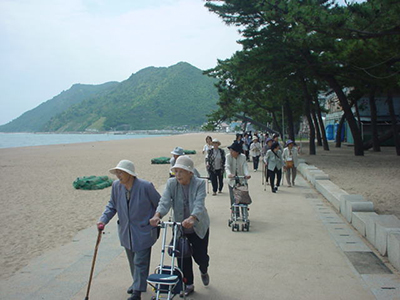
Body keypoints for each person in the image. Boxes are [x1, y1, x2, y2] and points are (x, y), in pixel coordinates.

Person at [97, 160, 161, 300]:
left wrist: (155, 218)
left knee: (140, 261)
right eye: (117, 173)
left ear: (130, 174)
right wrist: (103, 220)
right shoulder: (116, 186)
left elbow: (160, 204)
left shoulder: (146, 186)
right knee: (133, 261)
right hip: (126, 231)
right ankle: (138, 282)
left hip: (144, 231)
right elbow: (112, 205)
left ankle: (137, 292)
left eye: (121, 172)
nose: (118, 175)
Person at [149, 156, 210, 297]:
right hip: (180, 227)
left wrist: (193, 217)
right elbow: (165, 201)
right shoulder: (171, 184)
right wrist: (157, 215)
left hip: (198, 226)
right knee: (182, 257)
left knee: (201, 256)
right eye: (175, 171)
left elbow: (199, 203)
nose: (177, 175)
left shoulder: (200, 183)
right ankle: (188, 284)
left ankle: (204, 269)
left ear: (190, 172)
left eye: (181, 172)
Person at [225, 142, 251, 216]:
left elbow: (244, 166)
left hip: (241, 179)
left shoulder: (243, 157)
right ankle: (235, 213)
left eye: (232, 150)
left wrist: (247, 174)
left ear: (237, 152)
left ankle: (244, 213)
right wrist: (229, 174)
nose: (231, 152)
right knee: (233, 198)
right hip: (232, 181)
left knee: (243, 197)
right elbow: (227, 166)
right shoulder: (228, 156)